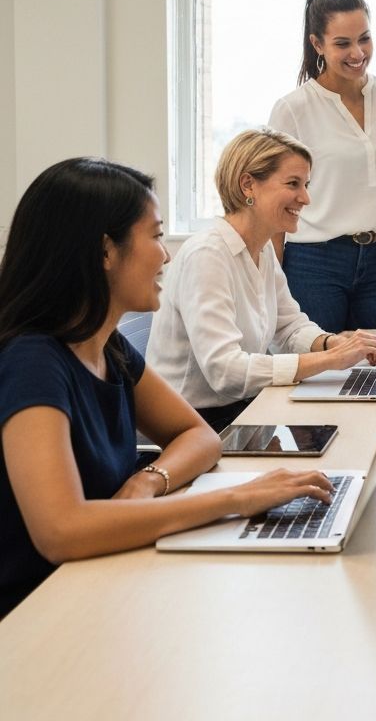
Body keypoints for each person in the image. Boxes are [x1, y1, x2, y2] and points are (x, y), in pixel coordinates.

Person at [0, 158, 335, 619]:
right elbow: (61, 530)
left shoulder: (107, 345)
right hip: (42, 610)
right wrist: (238, 499)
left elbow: (198, 436)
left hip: (104, 574)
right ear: (105, 252)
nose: (167, 255)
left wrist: (148, 481)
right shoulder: (33, 361)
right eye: (156, 236)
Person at [148, 128, 376, 433]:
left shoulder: (262, 247)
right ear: (248, 185)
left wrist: (331, 342)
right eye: (293, 184)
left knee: (360, 426)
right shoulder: (207, 255)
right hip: (196, 424)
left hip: (240, 408)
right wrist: (330, 359)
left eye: (306, 185)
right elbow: (225, 371)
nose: (305, 198)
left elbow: (289, 325)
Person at [269, 0, 376, 331]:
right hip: (312, 263)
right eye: (343, 43)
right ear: (317, 43)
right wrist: (272, 283)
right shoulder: (293, 110)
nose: (358, 54)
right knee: (313, 377)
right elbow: (278, 200)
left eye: (364, 39)